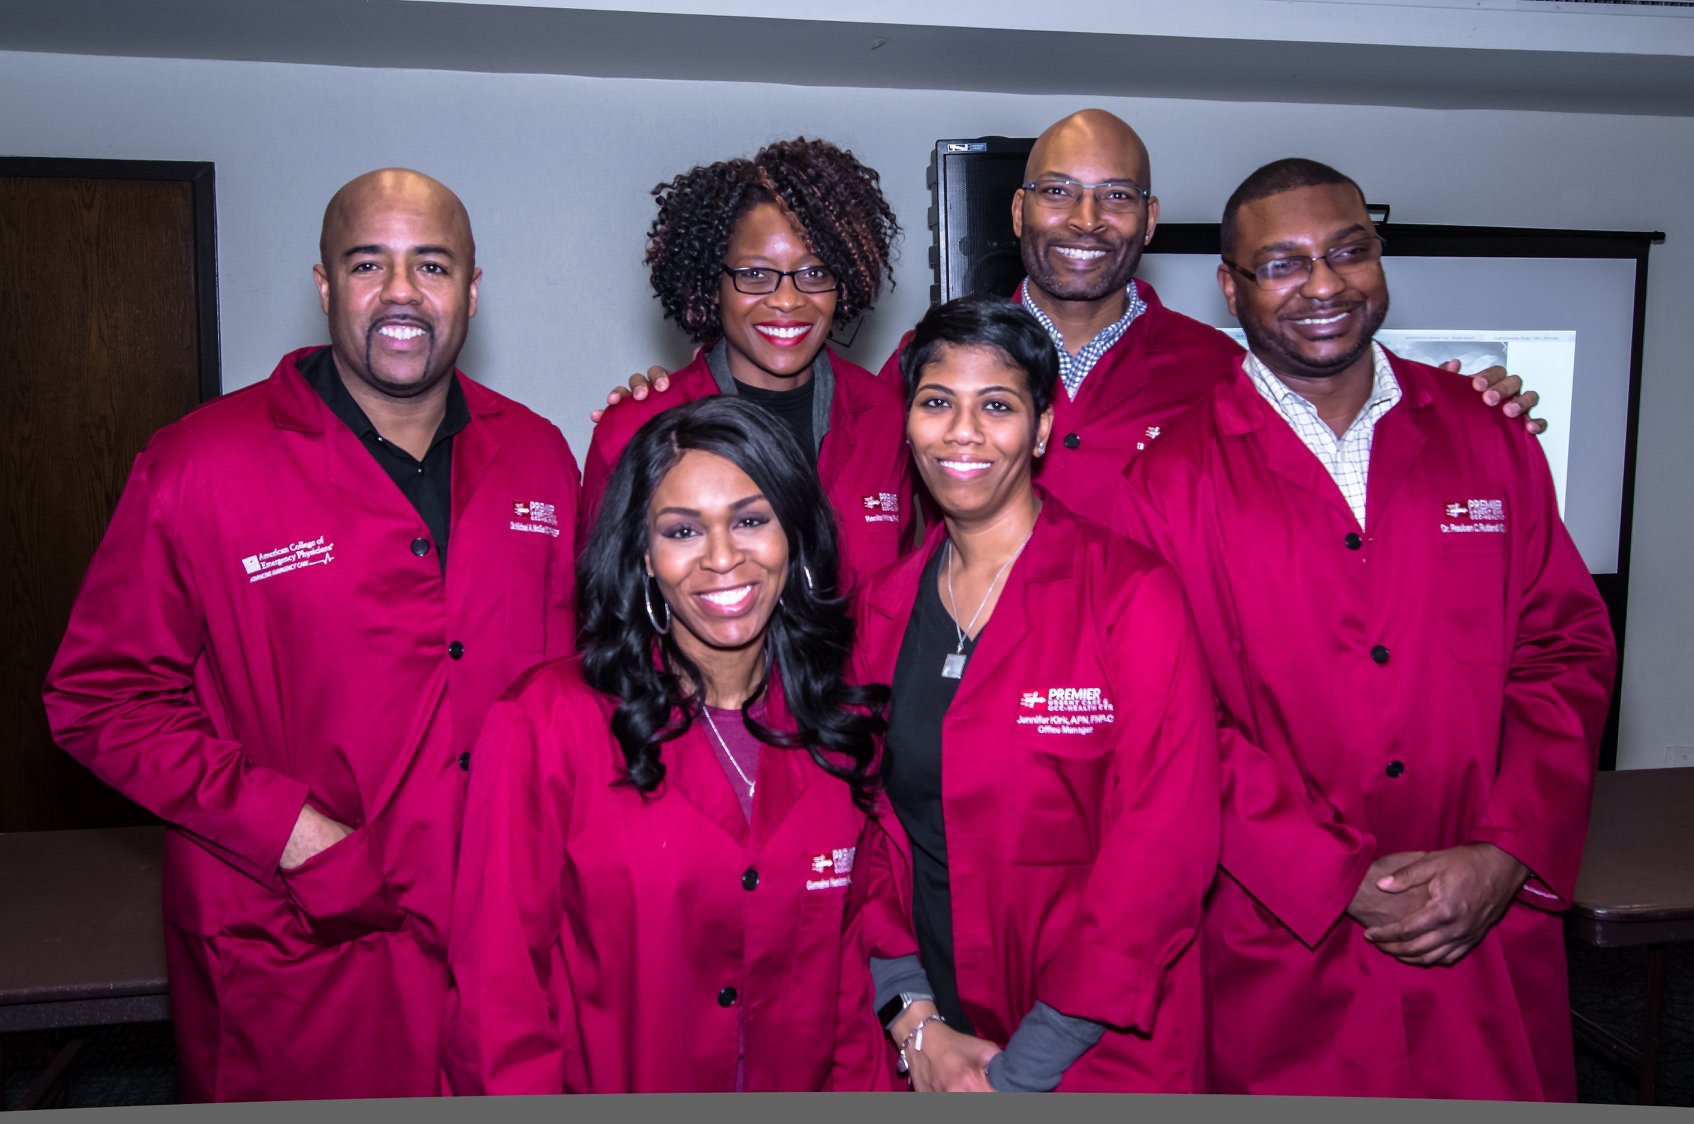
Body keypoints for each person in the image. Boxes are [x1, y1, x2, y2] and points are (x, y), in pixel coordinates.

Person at [42, 169, 581, 1102]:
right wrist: (292, 832)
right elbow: (98, 698)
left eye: (433, 265)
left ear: (472, 290)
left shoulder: (538, 454)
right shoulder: (199, 464)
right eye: (370, 263)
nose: (404, 293)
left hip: (504, 937)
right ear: (326, 285)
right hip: (297, 938)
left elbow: (576, 678)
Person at [1112, 158, 1616, 1100]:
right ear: (1232, 287)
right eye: (1284, 264)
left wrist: (1506, 853)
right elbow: (1168, 721)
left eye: (1348, 252)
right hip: (1281, 945)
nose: (1324, 286)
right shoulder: (1170, 480)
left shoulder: (1489, 433)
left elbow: (1566, 652)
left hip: (1482, 934)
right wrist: (1330, 875)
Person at [596, 110, 1542, 524]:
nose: (1087, 222)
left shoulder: (1226, 373)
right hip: (947, 728)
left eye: (1117, 197)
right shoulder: (931, 368)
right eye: (1057, 192)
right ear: (1018, 213)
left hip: (1159, 737)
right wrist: (671, 387)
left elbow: (1336, 431)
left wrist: (1457, 401)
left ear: (1151, 221)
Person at [443, 396, 895, 1093]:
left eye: (750, 521)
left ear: (795, 536)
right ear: (644, 556)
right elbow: (495, 1007)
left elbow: (848, 1006)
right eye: (683, 531)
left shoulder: (838, 732)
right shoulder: (546, 722)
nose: (722, 558)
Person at [850, 295, 1219, 1093]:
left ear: (1043, 427)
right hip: (934, 1046)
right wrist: (916, 1021)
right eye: (937, 402)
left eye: (999, 405)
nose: (964, 432)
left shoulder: (1129, 593)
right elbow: (873, 832)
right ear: (908, 420)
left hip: (1099, 1049)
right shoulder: (881, 609)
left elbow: (1165, 845)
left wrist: (1029, 1066)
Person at [578, 137, 911, 592]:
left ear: (845, 280)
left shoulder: (889, 420)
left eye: (814, 273)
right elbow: (600, 613)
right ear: (712, 285)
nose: (788, 299)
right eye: (755, 274)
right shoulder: (635, 426)